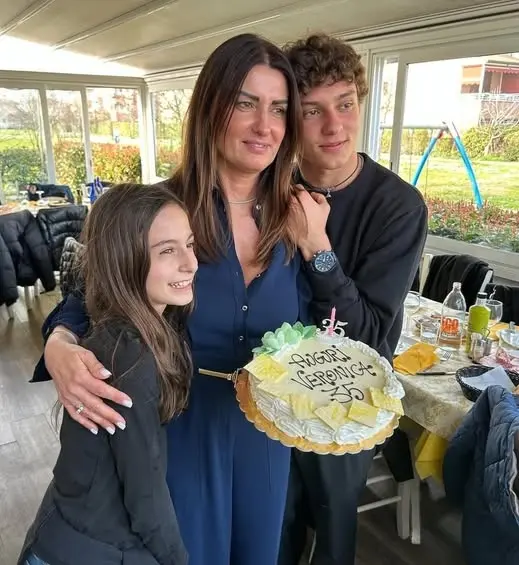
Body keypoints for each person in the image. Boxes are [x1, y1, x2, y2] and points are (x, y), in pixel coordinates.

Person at [31, 34, 310, 565]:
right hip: (178, 437)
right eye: (245, 103)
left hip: (266, 442)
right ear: (211, 108)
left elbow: (325, 326)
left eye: (278, 109)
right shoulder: (162, 210)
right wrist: (59, 344)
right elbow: (91, 294)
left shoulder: (298, 218)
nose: (264, 125)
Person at [278, 34, 428, 565]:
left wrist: (318, 248)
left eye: (344, 104)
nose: (333, 126)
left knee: (332, 533)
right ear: (291, 120)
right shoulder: (270, 188)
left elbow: (366, 335)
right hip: (271, 396)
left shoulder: (398, 207)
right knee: (274, 528)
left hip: (347, 403)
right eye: (312, 111)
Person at [19, 183, 196, 565]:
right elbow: (145, 497)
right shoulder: (130, 359)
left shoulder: (139, 332)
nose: (191, 263)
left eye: (190, 244)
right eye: (168, 251)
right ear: (123, 259)